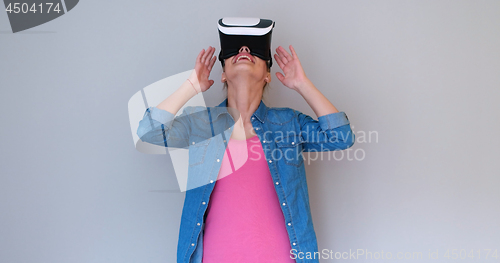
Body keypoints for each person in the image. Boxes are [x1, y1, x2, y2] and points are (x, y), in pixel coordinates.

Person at [137, 18, 355, 263]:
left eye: (253, 50)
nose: (243, 50)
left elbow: (341, 137)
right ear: (222, 75)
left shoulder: (288, 123)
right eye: (235, 49)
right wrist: (191, 86)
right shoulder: (203, 125)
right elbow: (150, 132)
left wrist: (303, 85)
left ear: (268, 75)